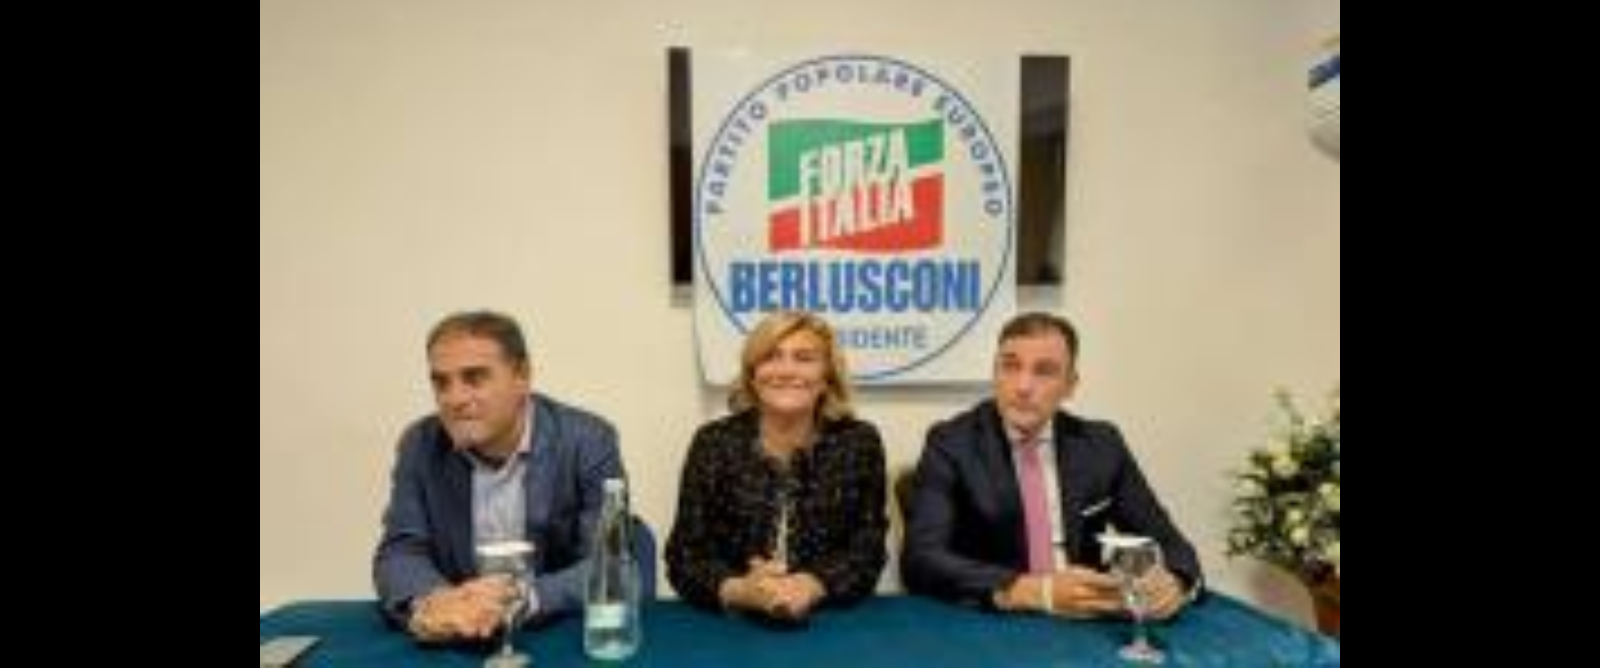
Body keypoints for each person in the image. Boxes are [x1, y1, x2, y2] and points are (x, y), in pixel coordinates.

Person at [373, 310, 655, 642]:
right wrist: (436, 603)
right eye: (441, 383)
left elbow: (609, 563)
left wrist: (522, 599)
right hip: (460, 638)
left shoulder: (587, 440)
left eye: (474, 378)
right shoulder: (420, 444)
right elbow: (401, 551)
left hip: (553, 637)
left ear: (522, 376)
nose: (455, 399)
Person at [902, 312, 1201, 620]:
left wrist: (1176, 582)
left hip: (1087, 621)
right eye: (1010, 366)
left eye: (1044, 371)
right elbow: (921, 559)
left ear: (1070, 386)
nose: (1023, 386)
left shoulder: (1101, 445)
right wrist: (1036, 591)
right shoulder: (952, 443)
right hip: (993, 620)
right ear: (995, 373)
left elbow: (1168, 542)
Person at [666, 311, 888, 621]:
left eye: (804, 358)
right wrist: (741, 590)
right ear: (752, 374)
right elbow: (684, 557)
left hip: (829, 621)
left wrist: (811, 585)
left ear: (827, 377)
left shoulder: (858, 442)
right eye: (771, 357)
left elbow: (868, 550)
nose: (786, 370)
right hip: (732, 626)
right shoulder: (714, 443)